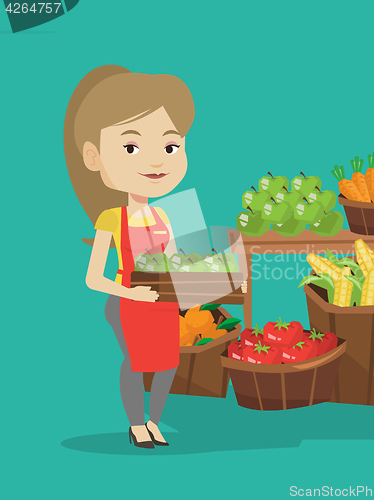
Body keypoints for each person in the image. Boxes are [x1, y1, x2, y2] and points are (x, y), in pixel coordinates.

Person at [64, 65, 195, 448]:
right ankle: (136, 424)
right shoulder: (111, 218)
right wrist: (134, 295)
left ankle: (156, 420)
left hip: (164, 303)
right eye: (131, 148)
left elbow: (174, 263)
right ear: (94, 157)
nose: (157, 162)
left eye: (171, 147)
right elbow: (92, 278)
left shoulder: (166, 214)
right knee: (137, 364)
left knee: (169, 363)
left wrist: (202, 273)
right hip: (128, 302)